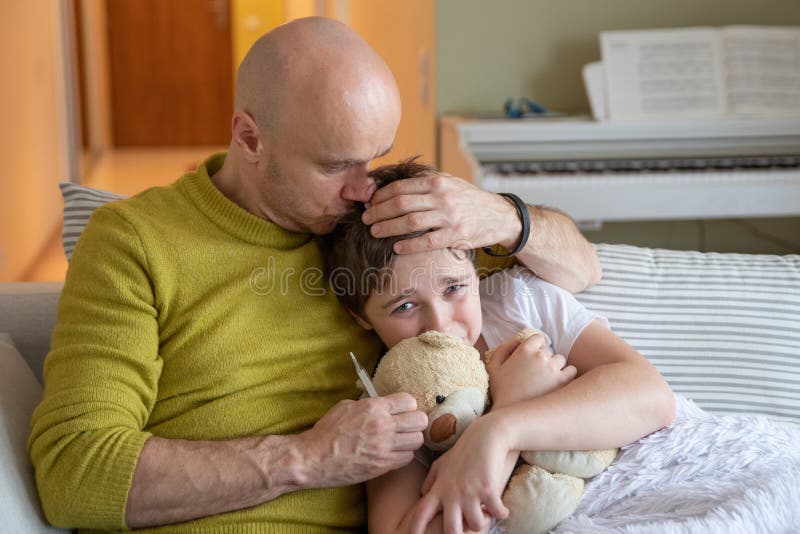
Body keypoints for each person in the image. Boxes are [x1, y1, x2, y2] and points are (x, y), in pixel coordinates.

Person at [28, 17, 601, 534]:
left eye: (374, 156)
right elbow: (74, 473)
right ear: (249, 138)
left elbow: (581, 268)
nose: (364, 187)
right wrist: (309, 458)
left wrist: (503, 216)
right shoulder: (134, 241)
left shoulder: (383, 224)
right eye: (335, 165)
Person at [319, 159, 675, 534]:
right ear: (361, 316)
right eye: (404, 306)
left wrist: (498, 431)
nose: (441, 324)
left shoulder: (519, 304)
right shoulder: (392, 400)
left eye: (454, 288)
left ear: (476, 272)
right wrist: (509, 409)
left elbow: (653, 398)